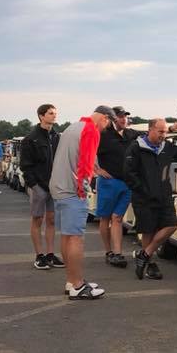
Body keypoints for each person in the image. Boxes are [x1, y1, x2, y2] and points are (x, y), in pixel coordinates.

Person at [124, 119, 177, 279]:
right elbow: (129, 173)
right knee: (148, 230)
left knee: (171, 225)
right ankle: (150, 264)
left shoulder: (166, 147)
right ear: (150, 130)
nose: (163, 135)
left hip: (164, 195)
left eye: (165, 132)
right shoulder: (136, 147)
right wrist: (142, 189)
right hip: (144, 197)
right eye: (160, 132)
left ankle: (145, 254)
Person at [49, 106, 114, 299]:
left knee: (67, 236)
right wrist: (84, 190)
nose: (105, 128)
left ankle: (72, 281)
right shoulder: (91, 130)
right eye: (108, 124)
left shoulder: (72, 127)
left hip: (58, 187)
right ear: (104, 118)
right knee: (76, 238)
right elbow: (85, 164)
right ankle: (78, 285)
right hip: (72, 190)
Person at [20, 104, 63, 270]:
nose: (54, 116)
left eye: (55, 113)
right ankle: (39, 256)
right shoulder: (31, 139)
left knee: (51, 220)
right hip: (38, 186)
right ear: (41, 116)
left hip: (54, 185)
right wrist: (34, 185)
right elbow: (25, 165)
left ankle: (51, 254)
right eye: (51, 113)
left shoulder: (57, 137)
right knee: (37, 219)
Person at [94, 106, 136, 268]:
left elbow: (149, 133)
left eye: (125, 116)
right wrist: (96, 169)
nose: (123, 119)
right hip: (108, 182)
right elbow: (86, 151)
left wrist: (170, 128)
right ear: (113, 119)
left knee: (117, 218)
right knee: (105, 218)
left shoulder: (130, 134)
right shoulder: (103, 135)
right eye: (120, 116)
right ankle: (108, 251)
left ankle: (118, 253)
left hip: (126, 183)